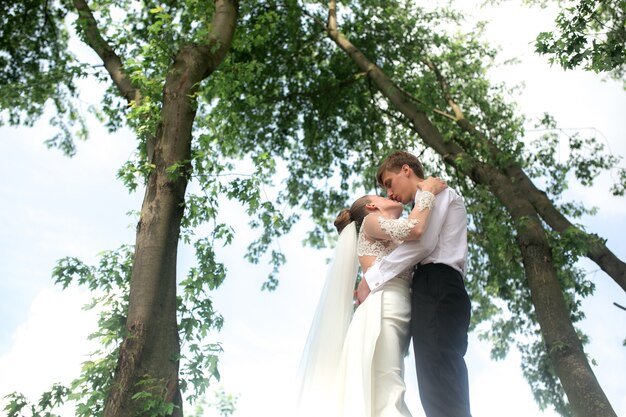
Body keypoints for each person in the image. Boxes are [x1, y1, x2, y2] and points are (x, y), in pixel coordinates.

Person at [296, 176, 447, 417]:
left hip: (394, 307)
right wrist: (428, 191)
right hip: (383, 309)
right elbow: (414, 228)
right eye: (381, 194)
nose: (388, 194)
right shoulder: (370, 222)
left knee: (384, 387)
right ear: (372, 206)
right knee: (388, 390)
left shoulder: (383, 232)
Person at [358, 151, 472, 417]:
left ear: (406, 170)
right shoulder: (420, 206)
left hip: (438, 285)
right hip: (429, 288)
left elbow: (423, 243)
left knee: (441, 377)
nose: (389, 192)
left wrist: (372, 278)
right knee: (433, 383)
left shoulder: (436, 192)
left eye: (389, 182)